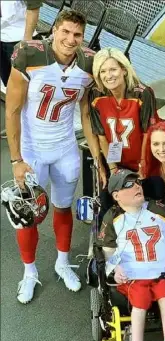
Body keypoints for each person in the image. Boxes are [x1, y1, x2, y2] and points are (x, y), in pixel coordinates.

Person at [5, 9, 105, 304]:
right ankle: (29, 271)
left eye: (77, 34)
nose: (70, 39)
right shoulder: (29, 55)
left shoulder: (88, 64)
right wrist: (16, 159)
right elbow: (11, 110)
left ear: (82, 37)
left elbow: (86, 113)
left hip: (64, 147)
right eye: (65, 32)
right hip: (33, 148)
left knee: (63, 207)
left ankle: (62, 262)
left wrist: (98, 158)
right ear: (54, 31)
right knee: (29, 215)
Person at [98, 169, 165, 341]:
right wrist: (116, 267)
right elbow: (107, 250)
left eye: (137, 182)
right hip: (132, 276)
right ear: (116, 195)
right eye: (128, 185)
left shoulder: (161, 209)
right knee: (140, 298)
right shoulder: (113, 217)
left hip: (161, 272)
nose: (137, 185)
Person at [89, 47, 161, 220]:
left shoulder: (142, 93)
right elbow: (101, 136)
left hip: (141, 159)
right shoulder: (96, 94)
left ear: (123, 69)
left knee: (151, 199)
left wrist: (143, 163)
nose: (109, 75)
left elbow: (147, 133)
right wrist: (113, 168)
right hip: (116, 162)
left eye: (113, 69)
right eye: (103, 71)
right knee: (108, 200)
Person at [1, 0, 42, 87]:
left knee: (27, 86)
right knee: (9, 85)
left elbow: (34, 8)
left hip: (19, 40)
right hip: (3, 38)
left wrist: (27, 41)